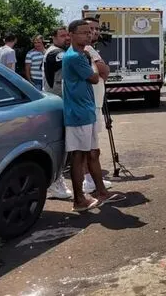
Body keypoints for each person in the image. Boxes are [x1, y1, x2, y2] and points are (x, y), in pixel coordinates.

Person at [62, 19, 119, 211]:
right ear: (71, 35)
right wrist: (91, 60)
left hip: (87, 111)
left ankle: (101, 192)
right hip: (78, 113)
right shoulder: (75, 57)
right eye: (84, 32)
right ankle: (79, 200)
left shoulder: (82, 54)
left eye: (90, 32)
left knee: (93, 152)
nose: (89, 35)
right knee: (78, 157)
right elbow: (96, 77)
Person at [82, 17, 112, 194]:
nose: (94, 32)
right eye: (90, 29)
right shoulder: (87, 49)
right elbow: (104, 71)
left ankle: (91, 179)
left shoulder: (90, 49)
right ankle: (89, 181)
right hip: (90, 104)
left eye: (96, 29)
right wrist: (104, 71)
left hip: (94, 103)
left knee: (92, 145)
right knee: (90, 147)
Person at [44, 26, 74, 200]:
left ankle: (57, 179)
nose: (66, 38)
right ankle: (55, 182)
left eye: (67, 35)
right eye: (62, 35)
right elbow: (73, 60)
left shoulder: (58, 52)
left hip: (61, 103)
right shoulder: (56, 53)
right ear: (53, 37)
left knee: (65, 144)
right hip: (57, 103)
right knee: (60, 144)